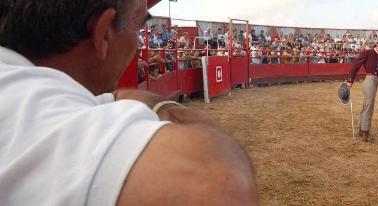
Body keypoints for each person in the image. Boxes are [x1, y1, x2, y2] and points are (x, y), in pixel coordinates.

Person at [0, 0, 258, 205]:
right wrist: (156, 104)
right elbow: (222, 184)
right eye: (138, 28)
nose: (137, 41)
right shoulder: (58, 124)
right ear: (103, 33)